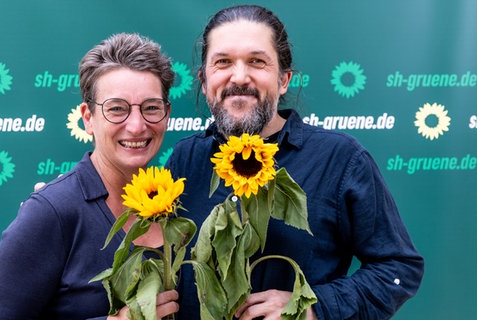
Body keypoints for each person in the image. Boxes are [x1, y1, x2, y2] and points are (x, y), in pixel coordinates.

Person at [166, 5, 425, 320]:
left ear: (284, 79)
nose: (239, 76)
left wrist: (313, 307)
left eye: (257, 61)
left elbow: (399, 269)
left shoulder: (340, 160)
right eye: (223, 62)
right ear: (205, 81)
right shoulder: (184, 159)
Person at [0, 33, 179, 320]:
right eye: (117, 109)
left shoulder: (180, 203)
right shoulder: (50, 212)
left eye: (151, 108)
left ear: (167, 113)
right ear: (87, 117)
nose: (136, 125)